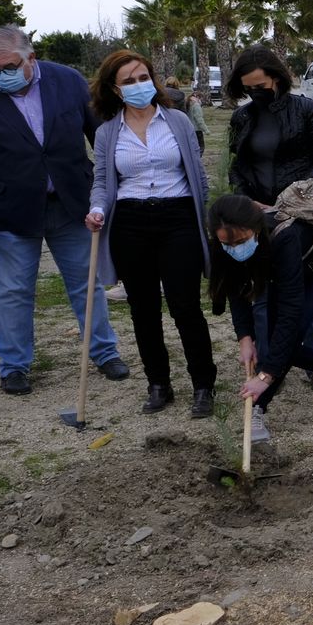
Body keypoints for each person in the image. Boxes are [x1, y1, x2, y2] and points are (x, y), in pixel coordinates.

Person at [0, 24, 130, 395]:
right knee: (10, 291)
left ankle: (104, 352)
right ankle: (13, 365)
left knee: (86, 283)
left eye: (8, 67)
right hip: (7, 209)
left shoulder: (68, 81)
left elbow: (102, 137)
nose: (0, 75)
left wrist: (111, 188)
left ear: (31, 58)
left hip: (71, 202)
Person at [86, 50, 216, 418]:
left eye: (143, 77)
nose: (138, 85)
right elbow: (102, 181)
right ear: (114, 88)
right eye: (129, 81)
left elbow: (199, 176)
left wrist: (203, 219)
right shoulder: (108, 132)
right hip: (131, 222)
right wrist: (97, 209)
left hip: (178, 217)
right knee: (143, 309)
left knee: (185, 306)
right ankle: (158, 383)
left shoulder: (177, 121)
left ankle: (203, 384)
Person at [209, 194, 313, 433]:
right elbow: (237, 290)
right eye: (227, 245)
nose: (235, 249)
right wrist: (245, 338)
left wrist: (265, 376)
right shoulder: (223, 242)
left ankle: (258, 409)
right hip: (289, 271)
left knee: (288, 337)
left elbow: (290, 311)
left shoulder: (284, 236)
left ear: (255, 228)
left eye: (241, 241)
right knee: (284, 343)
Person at [225, 44, 313, 386]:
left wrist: (293, 198)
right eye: (248, 88)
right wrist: (246, 201)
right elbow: (236, 166)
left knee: (307, 287)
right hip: (257, 212)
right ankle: (271, 363)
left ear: (276, 78)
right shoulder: (242, 117)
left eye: (260, 86)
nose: (255, 93)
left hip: (301, 213)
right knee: (261, 291)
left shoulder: (305, 110)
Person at [165, 75, 207, 152]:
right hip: (176, 124)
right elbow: (183, 112)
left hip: (163, 122)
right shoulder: (180, 95)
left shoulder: (160, 94)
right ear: (177, 84)